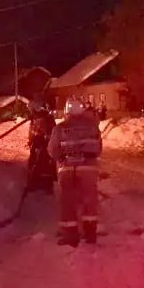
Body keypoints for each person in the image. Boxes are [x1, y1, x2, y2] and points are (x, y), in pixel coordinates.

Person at [48, 97, 103, 247]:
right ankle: (90, 233)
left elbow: (52, 150)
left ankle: (71, 236)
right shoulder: (93, 126)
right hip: (88, 168)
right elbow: (98, 148)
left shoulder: (59, 128)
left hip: (67, 169)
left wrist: (61, 158)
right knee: (89, 200)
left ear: (67, 111)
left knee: (68, 202)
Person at [26, 98, 57, 193]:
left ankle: (44, 183)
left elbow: (50, 131)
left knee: (42, 162)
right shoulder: (36, 119)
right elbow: (32, 131)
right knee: (36, 162)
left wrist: (42, 138)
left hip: (43, 144)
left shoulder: (46, 118)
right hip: (37, 143)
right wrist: (31, 140)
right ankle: (38, 182)